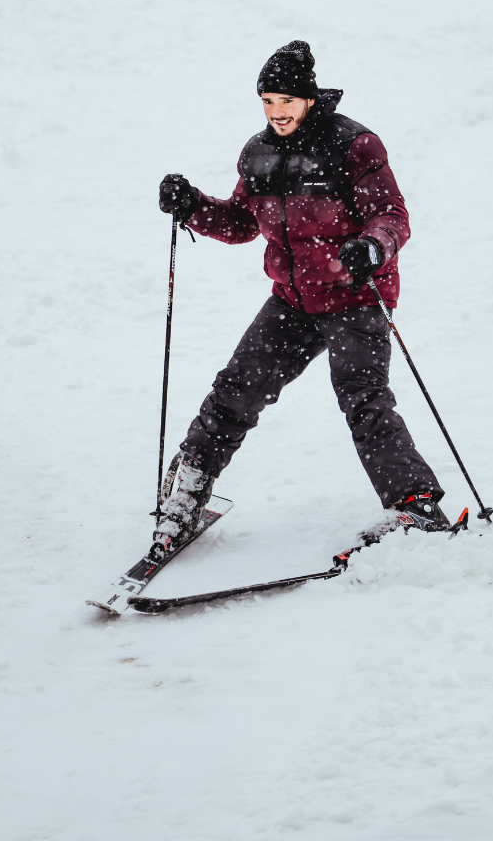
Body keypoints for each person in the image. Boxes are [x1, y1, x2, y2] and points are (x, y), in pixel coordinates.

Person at [153, 40, 448, 558]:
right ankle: (187, 496)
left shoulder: (354, 145)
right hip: (293, 298)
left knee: (364, 399)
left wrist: (372, 248)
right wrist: (192, 206)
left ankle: (416, 504)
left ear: (309, 99)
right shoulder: (257, 153)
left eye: (285, 101)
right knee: (234, 390)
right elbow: (242, 222)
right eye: (267, 101)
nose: (277, 112)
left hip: (356, 294)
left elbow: (393, 216)